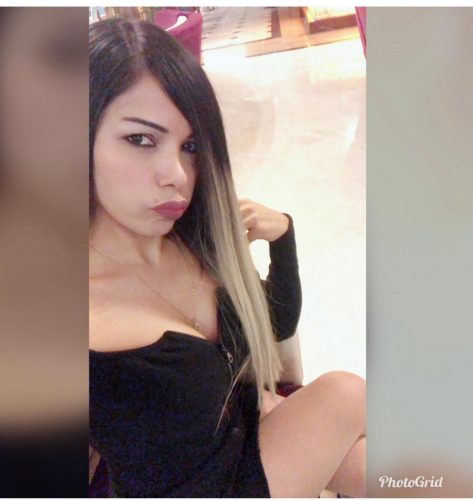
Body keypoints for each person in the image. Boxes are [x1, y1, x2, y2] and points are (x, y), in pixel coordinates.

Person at [89, 17, 366, 498]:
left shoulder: (194, 235)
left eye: (191, 146)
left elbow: (273, 326)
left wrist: (284, 238)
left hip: (250, 443)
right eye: (140, 139)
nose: (177, 174)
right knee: (347, 394)